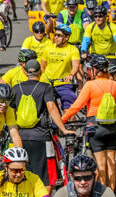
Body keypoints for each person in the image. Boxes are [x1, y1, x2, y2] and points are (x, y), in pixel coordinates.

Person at [61, 55, 116, 189]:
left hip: (95, 125)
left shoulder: (90, 85)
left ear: (95, 71)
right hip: (113, 126)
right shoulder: (114, 85)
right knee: (111, 162)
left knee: (101, 163)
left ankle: (103, 196)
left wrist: (62, 120)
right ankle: (112, 195)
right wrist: (113, 115)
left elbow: (76, 106)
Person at [12, 59, 74, 190]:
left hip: (21, 137)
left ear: (24, 72)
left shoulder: (16, 89)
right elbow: (52, 108)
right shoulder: (45, 88)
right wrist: (63, 129)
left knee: (23, 171)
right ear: (40, 72)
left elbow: (10, 112)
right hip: (41, 136)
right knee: (46, 175)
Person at [43, 23, 81, 109]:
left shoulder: (73, 49)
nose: (56, 37)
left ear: (66, 37)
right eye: (55, 35)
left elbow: (76, 66)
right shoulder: (48, 48)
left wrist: (71, 75)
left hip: (64, 84)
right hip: (48, 84)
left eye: (59, 36)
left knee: (69, 111)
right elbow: (43, 67)